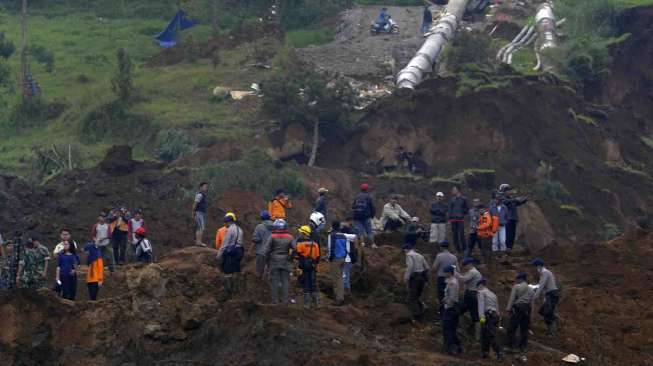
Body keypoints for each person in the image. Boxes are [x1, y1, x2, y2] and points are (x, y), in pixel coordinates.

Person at [264, 219, 294, 305]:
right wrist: (290, 258)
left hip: (274, 260)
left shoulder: (272, 236)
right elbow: (295, 249)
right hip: (286, 261)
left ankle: (275, 301)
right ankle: (285, 301)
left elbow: (267, 250)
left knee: (274, 281)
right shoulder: (290, 237)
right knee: (285, 281)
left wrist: (267, 261)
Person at [505, 272, 535, 354]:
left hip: (517, 308)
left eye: (517, 279)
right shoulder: (531, 290)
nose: (516, 280)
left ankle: (511, 346)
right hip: (527, 310)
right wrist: (531, 315)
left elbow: (512, 298)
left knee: (511, 328)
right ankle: (523, 347)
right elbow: (532, 304)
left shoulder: (516, 287)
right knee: (524, 329)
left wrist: (508, 309)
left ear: (521, 279)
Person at [328, 221, 356, 306]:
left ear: (332, 227)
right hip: (343, 259)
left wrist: (330, 257)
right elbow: (353, 238)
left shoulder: (332, 236)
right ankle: (340, 296)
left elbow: (330, 247)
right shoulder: (343, 236)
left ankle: (338, 298)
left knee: (336, 279)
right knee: (340, 278)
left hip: (336, 259)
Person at [218, 213, 245, 301]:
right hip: (240, 251)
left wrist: (219, 255)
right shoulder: (240, 229)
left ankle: (228, 293)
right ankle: (238, 292)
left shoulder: (230, 230)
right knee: (236, 271)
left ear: (228, 222)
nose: (224, 224)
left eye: (225, 222)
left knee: (227, 272)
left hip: (232, 252)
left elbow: (225, 243)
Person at [294, 225, 321, 309]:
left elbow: (295, 255)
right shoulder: (315, 244)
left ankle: (307, 304)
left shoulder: (300, 244)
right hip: (312, 266)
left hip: (303, 266)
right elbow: (317, 257)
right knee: (312, 283)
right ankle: (316, 303)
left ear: (303, 233)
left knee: (305, 283)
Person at [456, 257, 483, 339]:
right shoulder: (473, 272)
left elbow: (464, 280)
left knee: (462, 311)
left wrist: (455, 273)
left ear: (470, 264)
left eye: (465, 265)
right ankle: (475, 335)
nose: (464, 267)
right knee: (473, 314)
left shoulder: (472, 272)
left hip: (472, 295)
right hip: (472, 294)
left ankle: (474, 334)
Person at [531, 258, 560, 335]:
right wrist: (544, 298)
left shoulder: (544, 272)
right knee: (542, 311)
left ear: (539, 266)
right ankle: (554, 320)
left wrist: (535, 296)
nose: (534, 268)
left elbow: (542, 285)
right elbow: (543, 286)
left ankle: (552, 331)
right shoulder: (544, 273)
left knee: (547, 313)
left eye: (535, 266)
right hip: (549, 294)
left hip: (552, 294)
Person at [477, 278, 504, 360]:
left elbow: (481, 305)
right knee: (485, 333)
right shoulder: (492, 294)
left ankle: (499, 352)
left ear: (481, 285)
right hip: (495, 315)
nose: (477, 288)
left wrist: (481, 318)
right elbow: (497, 306)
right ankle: (485, 353)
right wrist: (499, 319)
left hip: (487, 315)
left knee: (490, 334)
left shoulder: (481, 292)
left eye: (478, 286)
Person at [403, 243, 429, 321]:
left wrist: (406, 277)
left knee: (412, 298)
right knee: (417, 295)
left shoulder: (409, 255)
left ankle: (417, 316)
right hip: (422, 278)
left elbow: (410, 266)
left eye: (404, 251)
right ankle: (423, 307)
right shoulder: (420, 255)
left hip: (415, 278)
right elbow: (427, 267)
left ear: (406, 250)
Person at [432, 241, 458, 316]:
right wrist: (451, 267)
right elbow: (457, 269)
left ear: (442, 247)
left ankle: (442, 314)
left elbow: (434, 267)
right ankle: (450, 313)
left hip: (441, 278)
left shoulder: (439, 256)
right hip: (451, 279)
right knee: (451, 295)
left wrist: (433, 272)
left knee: (442, 296)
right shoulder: (453, 257)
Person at [442, 265, 462, 355]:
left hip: (451, 308)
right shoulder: (450, 281)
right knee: (451, 329)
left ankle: (452, 347)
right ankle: (457, 346)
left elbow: (452, 298)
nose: (444, 274)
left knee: (448, 328)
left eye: (445, 272)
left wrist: (447, 305)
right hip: (452, 307)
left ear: (449, 273)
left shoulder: (452, 283)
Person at [352, 183, 377, 248]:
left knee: (360, 232)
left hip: (357, 217)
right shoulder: (369, 197)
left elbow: (353, 206)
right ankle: (372, 244)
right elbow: (372, 207)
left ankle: (362, 244)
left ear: (361, 189)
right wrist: (372, 215)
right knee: (369, 232)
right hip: (366, 217)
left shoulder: (356, 196)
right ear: (367, 189)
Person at [339, 219, 359, 295]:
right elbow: (356, 238)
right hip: (348, 256)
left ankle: (346, 291)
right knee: (346, 274)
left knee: (345, 275)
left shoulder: (344, 235)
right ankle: (346, 291)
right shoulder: (350, 234)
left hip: (345, 257)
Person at [252, 210, 273, 279]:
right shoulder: (275, 226)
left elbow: (255, 239)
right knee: (271, 270)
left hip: (261, 252)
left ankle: (259, 285)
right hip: (272, 252)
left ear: (261, 218)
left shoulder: (259, 227)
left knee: (259, 271)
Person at [449, 186, 469, 254]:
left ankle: (464, 249)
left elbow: (466, 209)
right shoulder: (452, 199)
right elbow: (450, 209)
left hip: (460, 219)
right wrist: (450, 216)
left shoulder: (464, 199)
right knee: (455, 235)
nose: (452, 191)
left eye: (454, 189)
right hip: (453, 220)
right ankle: (457, 249)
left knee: (461, 234)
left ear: (458, 190)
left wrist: (461, 213)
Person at [192, 182, 210, 247]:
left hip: (201, 213)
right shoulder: (199, 195)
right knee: (200, 227)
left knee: (200, 227)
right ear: (201, 188)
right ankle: (198, 242)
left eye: (207, 187)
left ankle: (199, 241)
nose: (206, 188)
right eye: (205, 187)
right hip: (199, 213)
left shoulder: (203, 195)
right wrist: (193, 212)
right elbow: (195, 204)